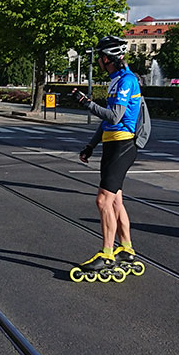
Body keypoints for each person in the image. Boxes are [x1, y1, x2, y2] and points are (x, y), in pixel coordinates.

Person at [72, 36, 142, 277]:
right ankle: (127, 249)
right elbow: (107, 121)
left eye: (100, 57)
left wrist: (86, 103)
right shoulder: (116, 80)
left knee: (103, 201)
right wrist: (91, 145)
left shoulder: (127, 81)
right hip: (112, 144)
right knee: (115, 201)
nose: (98, 61)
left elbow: (114, 116)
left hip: (123, 144)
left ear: (107, 58)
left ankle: (107, 254)